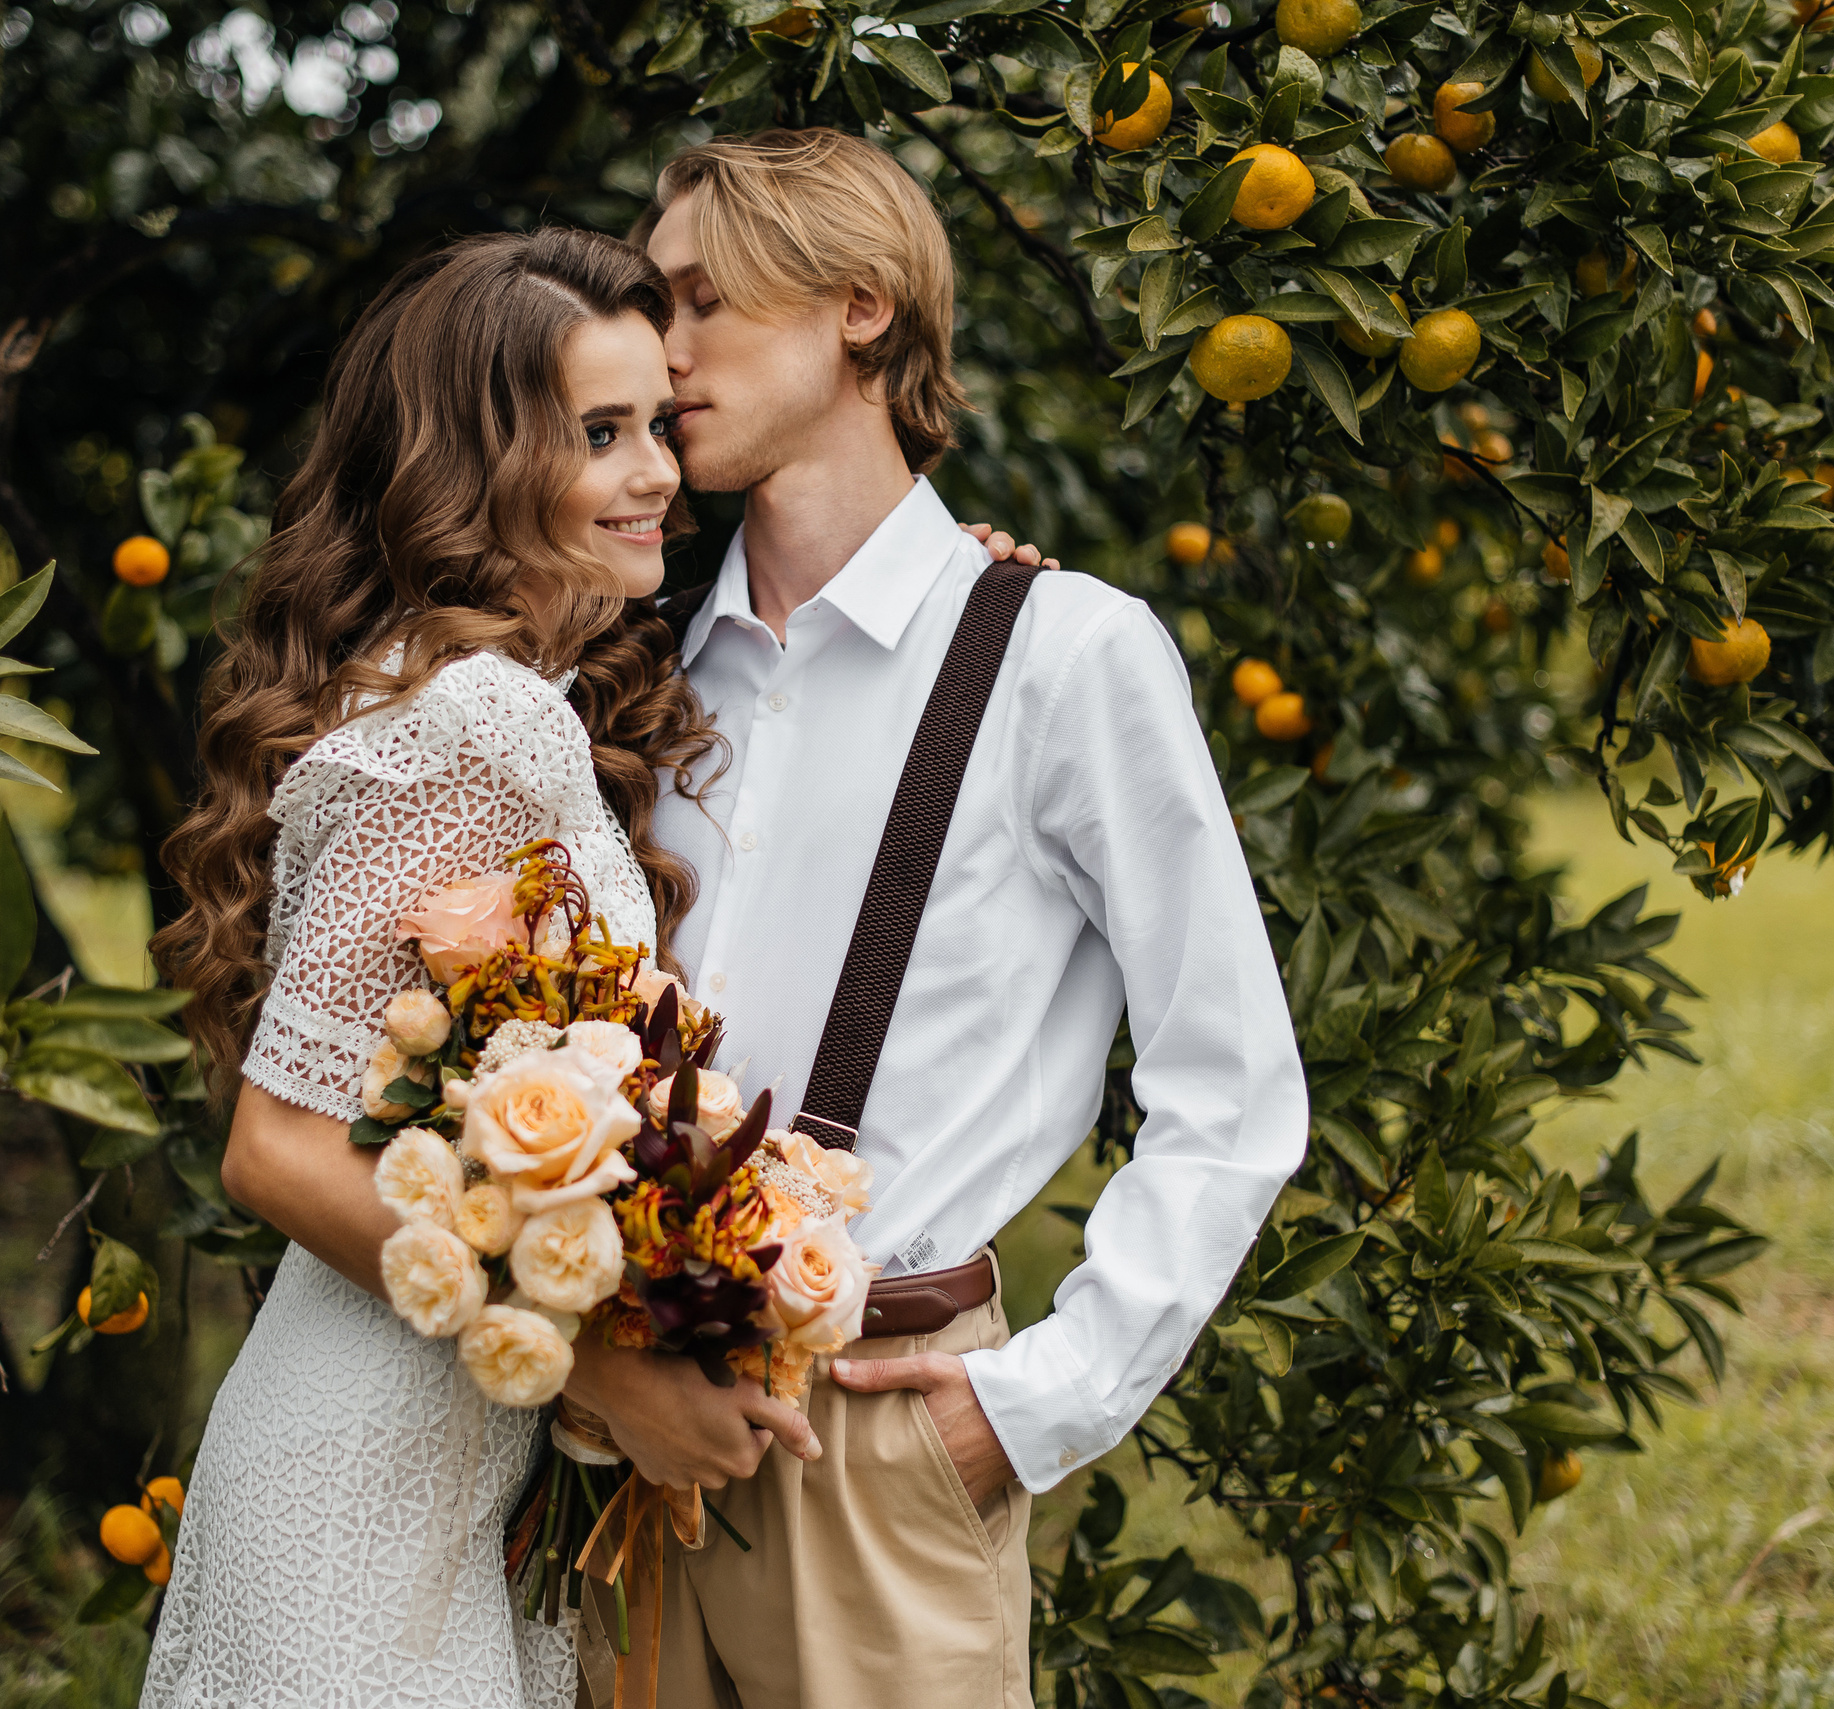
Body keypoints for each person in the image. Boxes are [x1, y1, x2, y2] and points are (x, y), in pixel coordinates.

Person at [558, 130, 1310, 1708]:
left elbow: (1233, 1089)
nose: (662, 353)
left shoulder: (1067, 658)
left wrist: (1032, 1404)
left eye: (703, 303)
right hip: (617, 1434)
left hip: (887, 1427)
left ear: (861, 307)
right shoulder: (633, 675)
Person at [139, 226, 747, 1709]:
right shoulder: (477, 719)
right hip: (361, 1484)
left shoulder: (475, 692)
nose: (659, 470)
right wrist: (596, 1369)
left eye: (658, 425)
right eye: (601, 434)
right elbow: (276, 1147)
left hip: (437, 1481)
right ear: (476, 465)